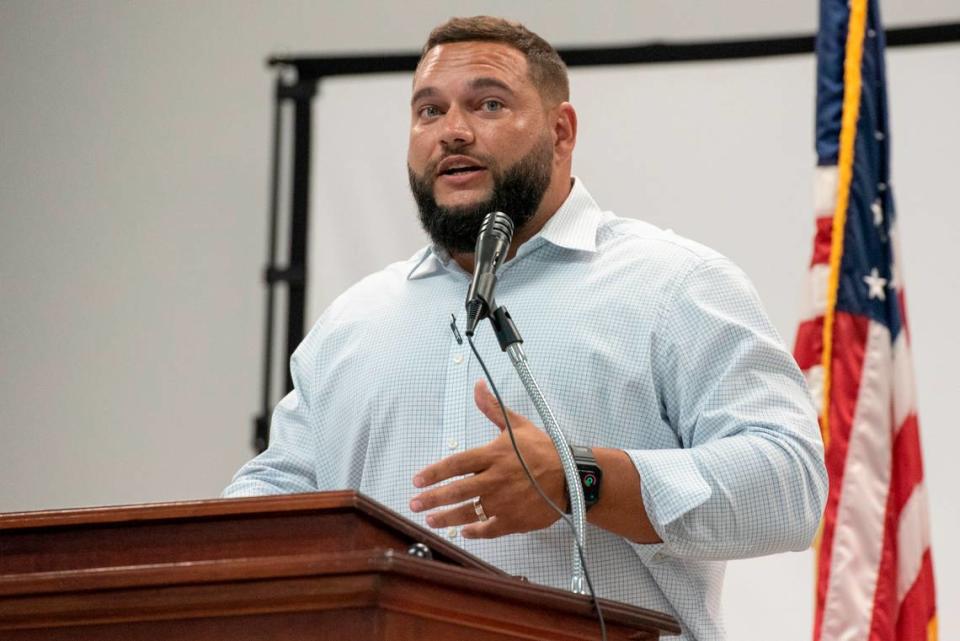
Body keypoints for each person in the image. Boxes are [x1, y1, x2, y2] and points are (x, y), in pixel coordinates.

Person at [224, 16, 827, 641]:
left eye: (488, 104)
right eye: (428, 111)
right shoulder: (352, 322)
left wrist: (584, 479)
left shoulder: (674, 285)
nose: (452, 132)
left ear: (561, 132)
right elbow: (274, 505)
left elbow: (791, 487)